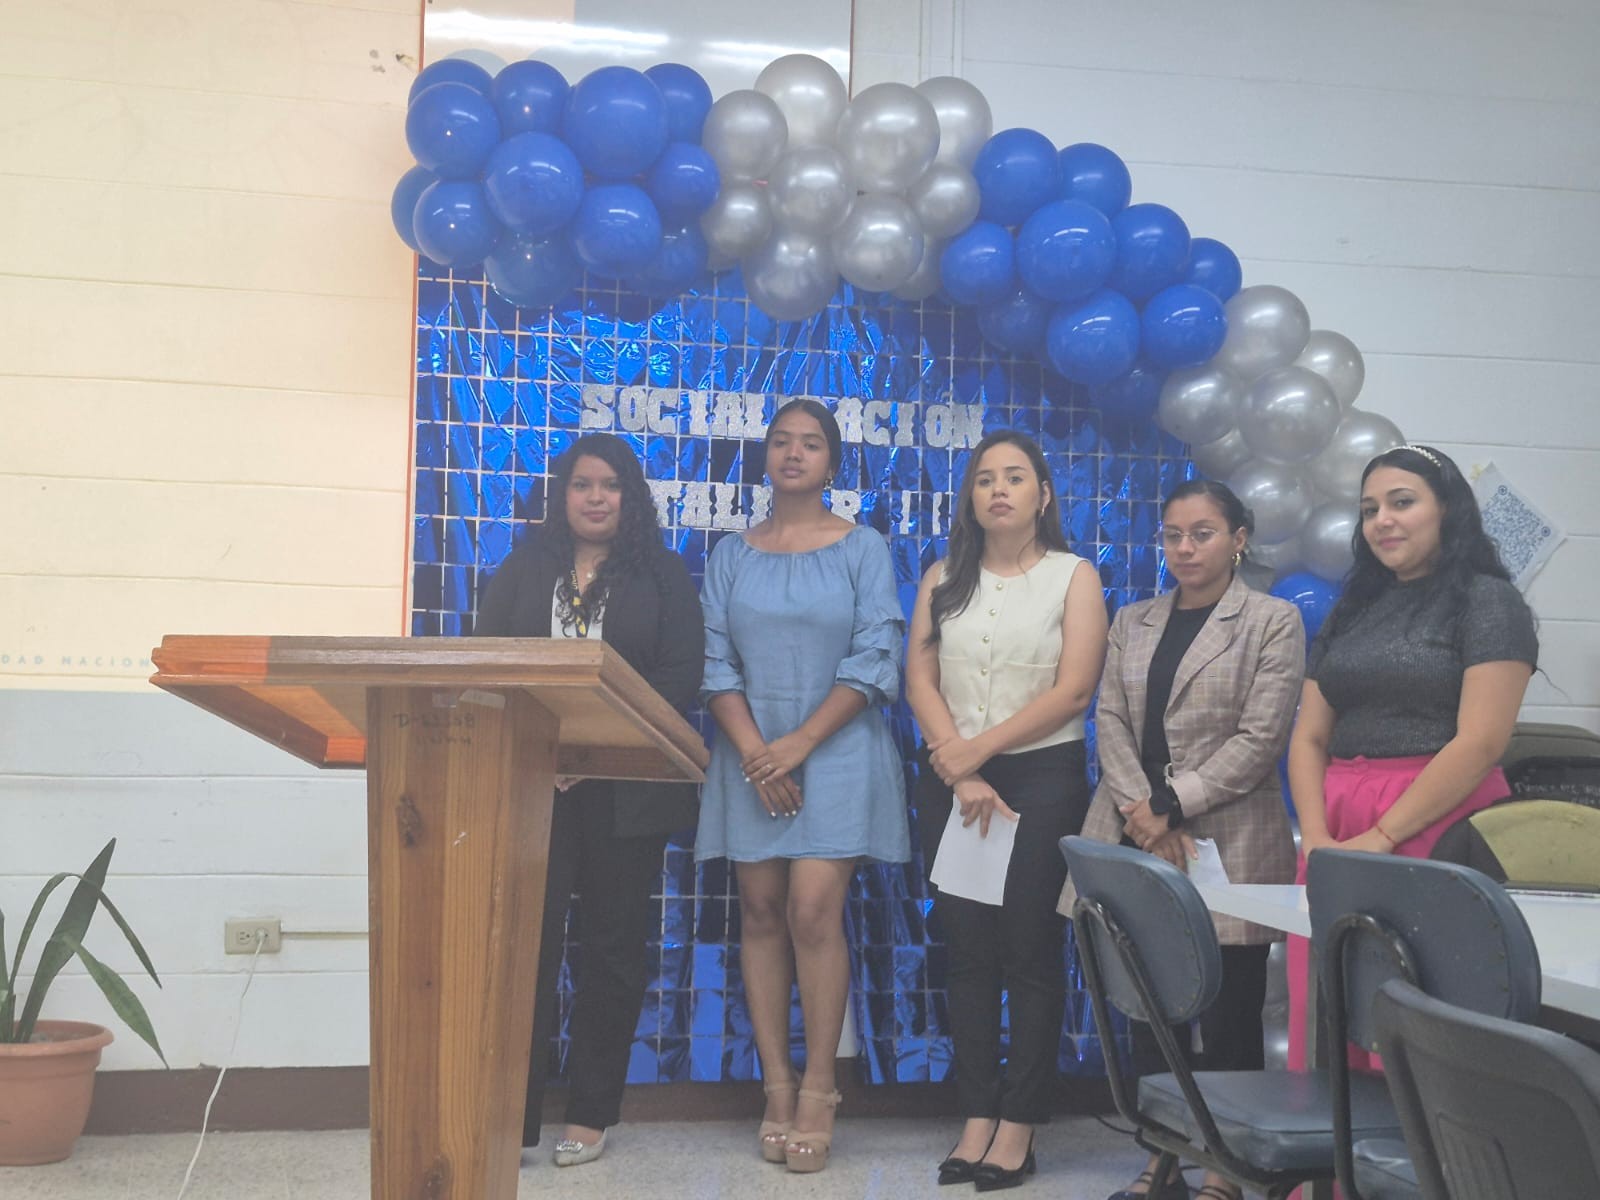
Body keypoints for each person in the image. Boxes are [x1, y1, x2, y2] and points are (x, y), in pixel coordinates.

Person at [474, 432, 704, 1166]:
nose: (596, 497)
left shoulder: (663, 575)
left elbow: (679, 677)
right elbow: (490, 660)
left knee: (611, 951)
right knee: (526, 948)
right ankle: (509, 1118)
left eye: (610, 485)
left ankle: (592, 1112)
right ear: (562, 494)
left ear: (630, 496)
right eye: (582, 484)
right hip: (533, 788)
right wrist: (549, 751)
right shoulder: (524, 567)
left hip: (626, 791)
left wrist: (593, 750)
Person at [1071, 479, 1305, 1200]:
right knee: (1149, 1005)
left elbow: (1261, 737)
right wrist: (1141, 811)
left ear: (1238, 539)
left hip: (1229, 836)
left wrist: (1172, 806)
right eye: (1172, 535)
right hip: (1133, 831)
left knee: (1231, 1011)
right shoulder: (1133, 619)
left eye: (1202, 533)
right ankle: (1160, 1157)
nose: (1185, 548)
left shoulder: (1271, 620)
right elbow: (1110, 719)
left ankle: (1224, 1168)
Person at [696, 398, 910, 1175]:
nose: (793, 453)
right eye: (781, 441)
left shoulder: (863, 547)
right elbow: (715, 664)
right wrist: (760, 754)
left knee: (813, 911)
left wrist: (798, 746)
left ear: (831, 461)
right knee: (759, 913)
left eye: (811, 443)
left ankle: (821, 1087)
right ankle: (776, 1087)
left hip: (837, 751)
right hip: (750, 757)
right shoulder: (731, 555)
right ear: (765, 456)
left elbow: (875, 657)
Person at [1286, 444, 1538, 1072]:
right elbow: (1309, 736)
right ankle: (1333, 1143)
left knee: (1415, 1016)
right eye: (1370, 509)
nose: (1383, 521)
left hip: (1435, 820)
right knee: (1329, 1007)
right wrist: (1315, 837)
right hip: (1337, 825)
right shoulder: (1356, 607)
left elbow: (1481, 742)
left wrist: (1383, 835)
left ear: (1447, 509)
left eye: (1402, 502)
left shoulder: (1488, 602)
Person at [905, 430, 1109, 1192]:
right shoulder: (943, 577)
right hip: (953, 778)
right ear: (970, 497)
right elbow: (919, 677)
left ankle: (1020, 1124)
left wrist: (977, 752)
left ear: (1042, 495)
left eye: (1015, 477)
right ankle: (976, 1116)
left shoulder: (1072, 576)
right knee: (967, 952)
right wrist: (956, 764)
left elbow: (1075, 690)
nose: (998, 490)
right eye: (985, 478)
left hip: (1042, 778)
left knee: (1028, 950)